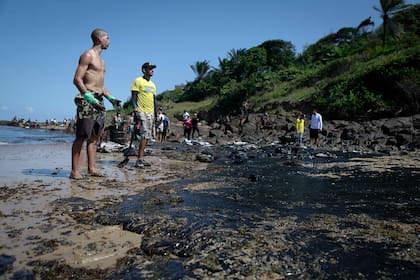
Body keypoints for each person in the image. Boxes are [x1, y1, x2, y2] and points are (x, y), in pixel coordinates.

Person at [70, 28, 121, 180]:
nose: (109, 41)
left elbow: (100, 85)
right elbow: (77, 79)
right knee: (82, 135)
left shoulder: (102, 61)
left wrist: (111, 98)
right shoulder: (87, 55)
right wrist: (86, 95)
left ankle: (91, 169)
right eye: (107, 38)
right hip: (87, 100)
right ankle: (74, 171)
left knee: (94, 137)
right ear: (99, 39)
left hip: (99, 100)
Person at [131, 62, 157, 168]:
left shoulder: (153, 84)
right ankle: (139, 159)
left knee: (148, 136)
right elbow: (133, 97)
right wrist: (135, 110)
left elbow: (154, 100)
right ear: (144, 70)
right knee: (144, 134)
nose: (152, 70)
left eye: (153, 69)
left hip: (151, 113)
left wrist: (155, 114)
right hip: (141, 111)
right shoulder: (137, 81)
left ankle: (141, 158)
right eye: (150, 68)